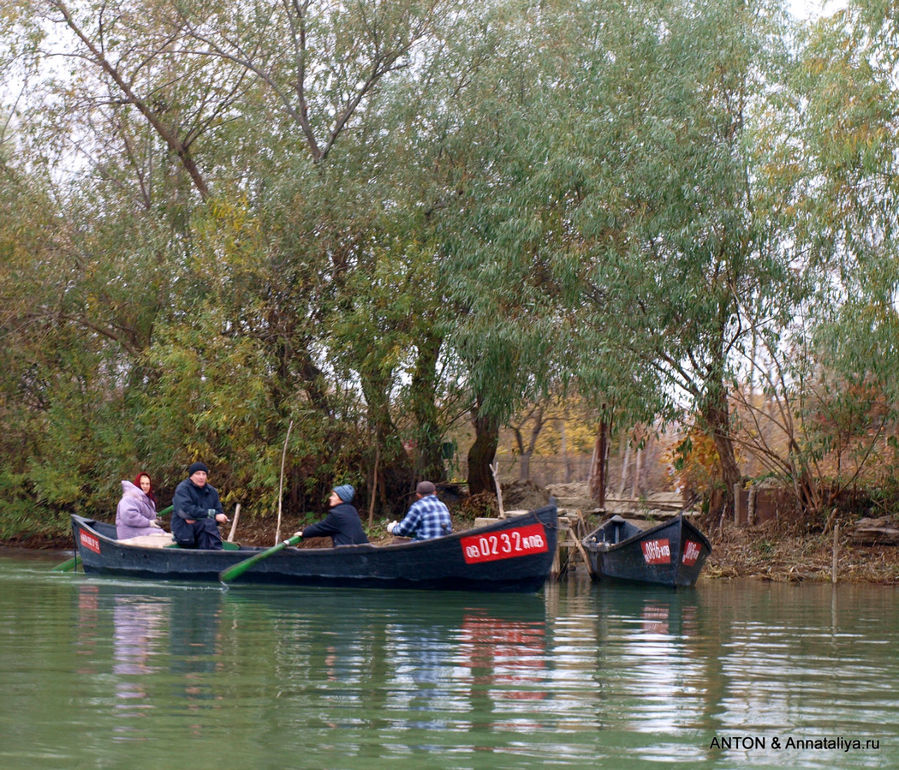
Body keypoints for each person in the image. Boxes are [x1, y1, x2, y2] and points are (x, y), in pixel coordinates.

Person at [171, 462, 228, 550]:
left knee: (208, 525)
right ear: (191, 476)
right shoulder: (182, 489)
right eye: (197, 474)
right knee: (207, 523)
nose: (201, 477)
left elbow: (219, 514)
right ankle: (216, 553)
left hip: (206, 532)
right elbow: (186, 511)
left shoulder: (212, 492)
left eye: (204, 474)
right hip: (185, 533)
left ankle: (215, 553)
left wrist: (206, 517)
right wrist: (212, 515)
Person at [296, 484, 369, 547]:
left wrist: (304, 533)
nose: (330, 498)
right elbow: (327, 530)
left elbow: (320, 528)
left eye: (333, 496)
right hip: (362, 550)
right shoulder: (351, 510)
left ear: (341, 499)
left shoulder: (337, 515)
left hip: (346, 553)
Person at [387, 481, 451, 541]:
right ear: (435, 493)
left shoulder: (418, 507)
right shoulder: (443, 505)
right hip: (443, 546)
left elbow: (403, 530)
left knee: (397, 542)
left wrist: (393, 528)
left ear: (418, 495)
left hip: (425, 548)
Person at [116, 472, 166, 540]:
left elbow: (146, 514)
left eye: (147, 484)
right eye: (142, 483)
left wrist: (155, 517)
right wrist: (149, 523)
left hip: (140, 529)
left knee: (162, 534)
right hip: (128, 533)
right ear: (137, 484)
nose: (145, 486)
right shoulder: (128, 499)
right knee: (159, 534)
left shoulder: (148, 500)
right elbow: (130, 517)